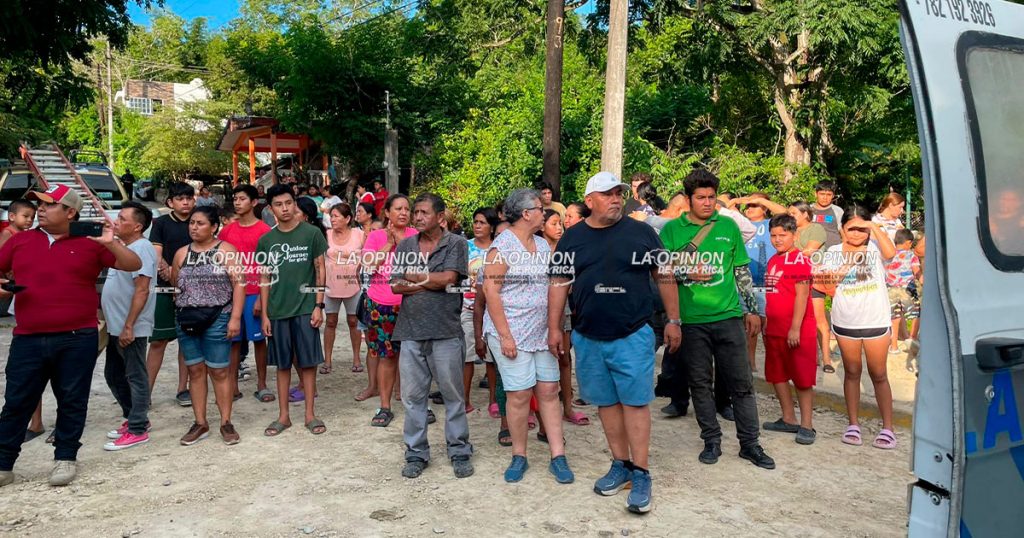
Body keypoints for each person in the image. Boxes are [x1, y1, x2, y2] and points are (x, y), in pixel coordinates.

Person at [548, 172, 682, 514]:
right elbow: (559, 284)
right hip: (588, 336)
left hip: (633, 333)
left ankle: (641, 472)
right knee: (606, 403)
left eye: (619, 193)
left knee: (635, 403)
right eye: (607, 194)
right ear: (590, 200)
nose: (616, 199)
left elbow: (664, 275)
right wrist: (554, 329)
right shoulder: (572, 239)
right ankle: (620, 464)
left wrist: (673, 320)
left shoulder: (642, 232)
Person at [0, 184, 142, 487]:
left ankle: (65, 458)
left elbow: (134, 265)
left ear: (70, 212)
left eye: (49, 204)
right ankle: (3, 464)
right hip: (28, 337)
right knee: (16, 401)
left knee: (72, 400)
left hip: (78, 337)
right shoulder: (21, 241)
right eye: (39, 204)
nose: (40, 209)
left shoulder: (91, 243)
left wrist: (112, 242)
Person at [659, 169, 775, 471]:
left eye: (712, 197)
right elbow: (662, 274)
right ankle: (711, 441)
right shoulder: (671, 231)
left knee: (742, 384)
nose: (708, 202)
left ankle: (751, 445)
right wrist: (687, 274)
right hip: (692, 321)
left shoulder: (728, 227)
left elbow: (741, 272)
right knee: (700, 384)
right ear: (688, 200)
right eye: (701, 198)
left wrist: (751, 310)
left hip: (729, 317)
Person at [485, 189, 573, 484]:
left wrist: (555, 328)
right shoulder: (502, 247)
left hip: (540, 330)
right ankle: (519, 455)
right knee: (520, 394)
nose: (544, 213)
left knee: (549, 390)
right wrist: (505, 336)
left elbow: (554, 286)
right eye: (539, 208)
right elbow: (491, 292)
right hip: (510, 331)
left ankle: (558, 455)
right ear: (525, 214)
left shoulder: (541, 244)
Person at [391, 193, 473, 479]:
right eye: (416, 212)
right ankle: (416, 453)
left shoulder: (456, 243)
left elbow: (449, 279)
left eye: (424, 212)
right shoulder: (406, 245)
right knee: (413, 397)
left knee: (452, 395)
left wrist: (414, 276)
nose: (417, 217)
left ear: (440, 217)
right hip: (411, 331)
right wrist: (430, 281)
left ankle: (459, 449)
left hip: (446, 331)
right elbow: (395, 287)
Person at [814, 204, 898, 450]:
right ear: (842, 229)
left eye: (862, 229)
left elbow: (891, 253)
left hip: (875, 320)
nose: (857, 234)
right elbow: (825, 286)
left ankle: (888, 428)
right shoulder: (833, 252)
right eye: (852, 229)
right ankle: (853, 424)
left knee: (879, 373)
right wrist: (842, 269)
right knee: (851, 371)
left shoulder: (874, 248)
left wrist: (873, 226)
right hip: (845, 321)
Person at [257, 185, 329, 437]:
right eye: (279, 204)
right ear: (270, 208)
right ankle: (283, 416)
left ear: (294, 204)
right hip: (277, 311)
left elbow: (320, 269)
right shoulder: (266, 240)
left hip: (306, 309)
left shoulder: (311, 234)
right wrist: (265, 313)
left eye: (289, 203)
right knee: (282, 365)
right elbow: (264, 277)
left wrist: (319, 305)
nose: (285, 208)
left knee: (308, 364)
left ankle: (310, 414)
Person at [172, 206, 246, 445]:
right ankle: (200, 422)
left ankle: (226, 421)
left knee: (219, 370)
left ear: (214, 227)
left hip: (219, 316)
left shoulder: (226, 251)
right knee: (195, 370)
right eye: (192, 223)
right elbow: (175, 283)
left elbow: (239, 285)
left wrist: (235, 318)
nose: (194, 227)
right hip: (187, 319)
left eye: (200, 223)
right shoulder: (182, 253)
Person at [102, 202, 158, 451]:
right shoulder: (124, 247)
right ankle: (133, 417)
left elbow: (142, 289)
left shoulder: (143, 248)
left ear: (137, 226)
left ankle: (137, 428)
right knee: (113, 374)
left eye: (122, 218)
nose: (116, 221)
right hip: (117, 325)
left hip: (130, 327)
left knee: (135, 375)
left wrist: (129, 326)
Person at [761, 214, 818, 445]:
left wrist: (795, 328)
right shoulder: (773, 260)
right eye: (773, 235)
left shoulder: (800, 260)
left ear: (794, 235)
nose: (777, 239)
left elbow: (802, 295)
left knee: (802, 377)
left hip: (797, 328)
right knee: (777, 374)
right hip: (774, 327)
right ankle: (788, 417)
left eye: (782, 235)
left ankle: (807, 425)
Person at [363, 194, 417, 422]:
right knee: (386, 357)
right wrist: (389, 244)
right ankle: (385, 407)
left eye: (407, 209)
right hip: (381, 304)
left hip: (412, 303)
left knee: (414, 357)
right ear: (387, 213)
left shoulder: (417, 236)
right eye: (398, 209)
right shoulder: (375, 236)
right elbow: (367, 265)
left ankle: (415, 403)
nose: (403, 213)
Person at [218, 185, 273, 403]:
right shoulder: (227, 232)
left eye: (242, 199)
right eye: (235, 199)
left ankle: (262, 384)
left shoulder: (264, 232)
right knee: (232, 341)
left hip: (254, 292)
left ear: (254, 203)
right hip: (230, 294)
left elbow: (268, 268)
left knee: (259, 341)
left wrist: (262, 296)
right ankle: (232, 386)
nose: (237, 202)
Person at [148, 182, 196, 407]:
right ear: (170, 202)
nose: (185, 202)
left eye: (188, 198)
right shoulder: (161, 223)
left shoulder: (200, 221)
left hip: (196, 289)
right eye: (180, 198)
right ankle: (144, 393)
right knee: (158, 341)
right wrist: (170, 275)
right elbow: (157, 255)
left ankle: (182, 389)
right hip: (165, 288)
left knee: (187, 341)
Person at [462, 208, 498, 416]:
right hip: (467, 306)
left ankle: (493, 400)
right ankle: (465, 399)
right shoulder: (465, 246)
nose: (477, 226)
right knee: (467, 355)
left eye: (482, 222)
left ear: (491, 227)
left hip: (493, 308)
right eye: (475, 221)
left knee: (492, 358)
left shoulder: (498, 248)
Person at [322, 203, 364, 374]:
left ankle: (356, 358)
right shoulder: (326, 235)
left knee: (354, 322)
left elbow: (369, 255)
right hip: (331, 284)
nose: (333, 219)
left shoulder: (359, 235)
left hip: (353, 284)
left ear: (347, 219)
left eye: (337, 216)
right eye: (331, 216)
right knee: (330, 322)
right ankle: (327, 360)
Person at [884, 229, 921, 354]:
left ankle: (893, 346)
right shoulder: (911, 255)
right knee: (916, 314)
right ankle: (912, 338)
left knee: (895, 317)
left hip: (891, 288)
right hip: (908, 289)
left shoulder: (888, 255)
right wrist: (922, 280)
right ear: (909, 243)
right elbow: (916, 271)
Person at [810, 181, 845, 250]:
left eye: (829, 195)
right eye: (822, 194)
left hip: (833, 251)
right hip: (812, 251)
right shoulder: (808, 210)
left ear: (833, 196)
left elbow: (844, 233)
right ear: (815, 194)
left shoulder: (837, 210)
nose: (825, 197)